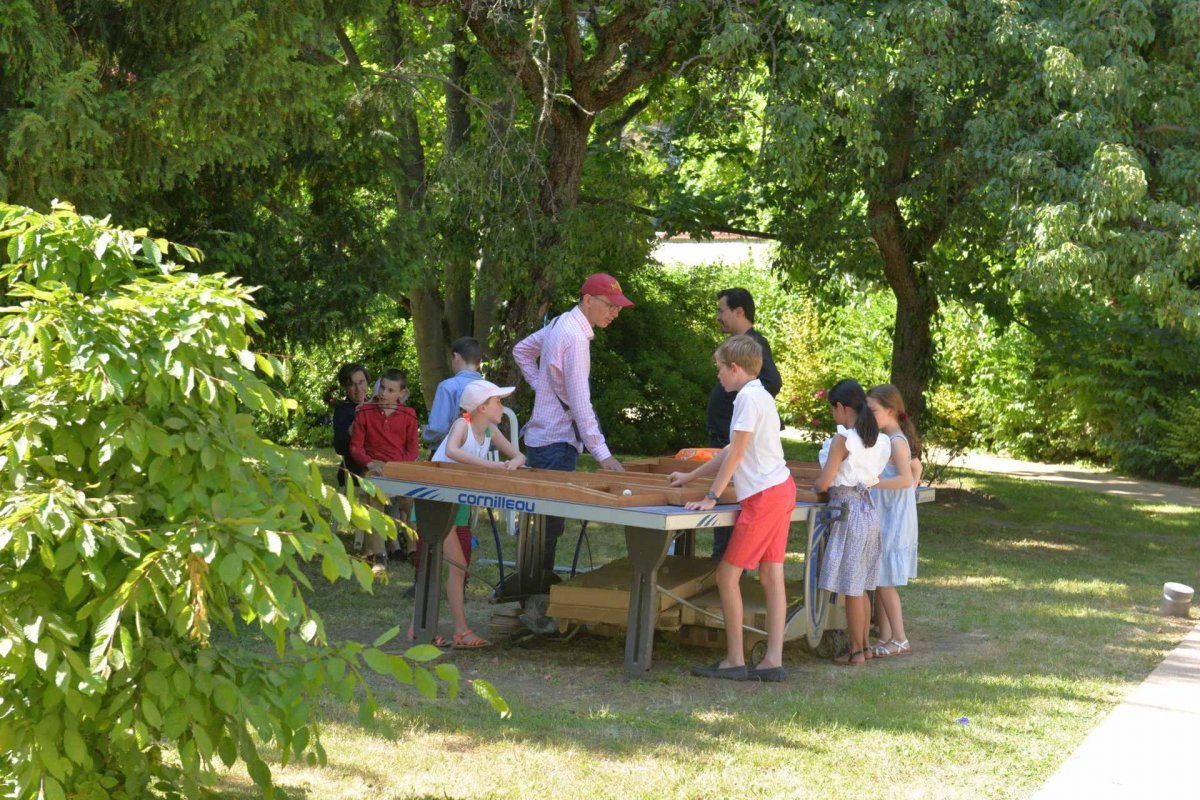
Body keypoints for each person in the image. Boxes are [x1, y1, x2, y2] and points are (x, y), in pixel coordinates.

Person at [668, 335, 796, 682]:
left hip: (765, 497)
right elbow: (729, 450)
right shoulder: (760, 396)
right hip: (781, 490)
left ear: (735, 368)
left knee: (727, 575)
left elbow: (736, 453)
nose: (719, 376)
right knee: (771, 576)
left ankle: (735, 660)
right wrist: (690, 475)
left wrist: (711, 495)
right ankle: (772, 662)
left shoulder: (746, 399)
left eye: (720, 369)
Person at [513, 272, 633, 574]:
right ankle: (537, 595)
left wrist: (542, 386)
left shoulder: (559, 323)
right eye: (610, 306)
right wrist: (602, 454)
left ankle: (532, 591)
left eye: (618, 308)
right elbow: (581, 403)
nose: (615, 313)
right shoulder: (576, 337)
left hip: (541, 438)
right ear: (588, 300)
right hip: (556, 442)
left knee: (538, 523)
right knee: (548, 526)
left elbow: (522, 351)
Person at [416, 380, 527, 647]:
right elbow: (452, 450)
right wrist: (490, 467)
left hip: (457, 504)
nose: (502, 406)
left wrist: (512, 463)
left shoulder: (489, 429)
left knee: (456, 567)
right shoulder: (462, 425)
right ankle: (435, 628)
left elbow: (519, 456)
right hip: (436, 503)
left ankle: (447, 630)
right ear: (481, 407)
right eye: (497, 402)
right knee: (444, 565)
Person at [812, 378, 891, 666]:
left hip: (848, 511)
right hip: (868, 512)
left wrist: (814, 486)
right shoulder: (879, 441)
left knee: (852, 588)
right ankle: (865, 646)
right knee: (862, 584)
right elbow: (876, 477)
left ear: (842, 407)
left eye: (833, 410)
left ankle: (856, 650)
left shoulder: (843, 440)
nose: (833, 416)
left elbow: (825, 481)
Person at [706, 288, 783, 561]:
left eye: (721, 310)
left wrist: (744, 417)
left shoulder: (754, 345)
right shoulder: (738, 346)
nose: (718, 316)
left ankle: (725, 568)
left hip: (740, 446)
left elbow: (773, 382)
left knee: (729, 515)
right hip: (728, 441)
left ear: (739, 312)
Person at [866, 384, 923, 658]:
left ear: (890, 411)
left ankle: (900, 638)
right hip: (888, 513)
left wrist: (873, 483)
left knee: (884, 579)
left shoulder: (896, 441)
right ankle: (886, 636)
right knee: (881, 577)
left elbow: (905, 478)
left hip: (894, 517)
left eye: (873, 410)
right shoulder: (890, 439)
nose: (869, 415)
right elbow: (915, 467)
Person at [350, 369, 420, 577]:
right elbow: (356, 447)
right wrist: (370, 464)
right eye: (382, 387)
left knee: (410, 499)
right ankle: (379, 554)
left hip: (399, 466)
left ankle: (413, 548)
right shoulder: (364, 411)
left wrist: (398, 468)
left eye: (391, 390)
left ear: (401, 393)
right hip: (374, 465)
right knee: (375, 497)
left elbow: (413, 449)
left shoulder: (408, 414)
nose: (384, 393)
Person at [422, 337, 484, 450]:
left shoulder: (447, 387)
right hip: (479, 455)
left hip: (447, 454)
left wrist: (425, 434)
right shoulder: (490, 388)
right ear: (479, 362)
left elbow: (438, 428)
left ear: (455, 357)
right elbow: (492, 429)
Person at [332, 363, 370, 491]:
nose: (358, 389)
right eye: (351, 385)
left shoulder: (378, 405)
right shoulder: (342, 410)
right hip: (353, 480)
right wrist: (354, 425)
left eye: (361, 382)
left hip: (380, 478)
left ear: (367, 381)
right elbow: (339, 448)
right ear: (345, 388)